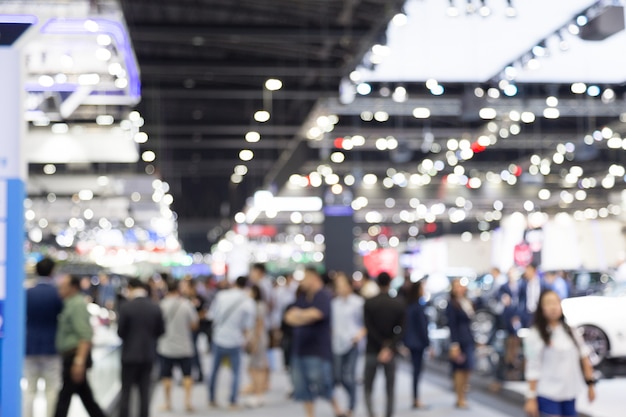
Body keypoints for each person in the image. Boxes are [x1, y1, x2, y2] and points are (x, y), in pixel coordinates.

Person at [523, 290, 596, 417]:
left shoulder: (570, 330)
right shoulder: (535, 335)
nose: (553, 307)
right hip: (547, 394)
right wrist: (531, 397)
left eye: (556, 302)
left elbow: (584, 358)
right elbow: (532, 367)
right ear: (541, 308)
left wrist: (590, 385)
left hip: (569, 393)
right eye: (548, 303)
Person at [285, 267, 346, 417]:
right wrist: (304, 316)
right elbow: (289, 317)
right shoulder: (303, 296)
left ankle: (338, 410)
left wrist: (299, 315)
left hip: (317, 350)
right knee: (302, 387)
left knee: (323, 384)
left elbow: (318, 314)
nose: (302, 281)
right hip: (299, 349)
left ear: (313, 278)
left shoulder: (323, 295)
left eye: (305, 277)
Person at [54, 275, 106, 417]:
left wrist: (79, 362)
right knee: (86, 398)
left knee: (64, 399)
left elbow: (85, 335)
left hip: (74, 356)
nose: (60, 289)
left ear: (73, 287)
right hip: (72, 357)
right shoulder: (69, 303)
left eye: (64, 286)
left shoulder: (77, 305)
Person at [117, 278, 165, 417]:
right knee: (144, 393)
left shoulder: (126, 307)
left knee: (126, 392)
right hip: (148, 355)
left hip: (129, 356)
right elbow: (161, 331)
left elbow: (120, 332)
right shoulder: (154, 307)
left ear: (131, 288)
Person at [23, 257, 64, 417]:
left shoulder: (28, 293)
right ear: (52, 271)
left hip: (30, 346)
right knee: (51, 390)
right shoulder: (57, 293)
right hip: (51, 347)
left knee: (30, 390)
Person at [208, 276, 255, 409]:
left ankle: (211, 399)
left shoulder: (221, 296)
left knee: (214, 371)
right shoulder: (248, 301)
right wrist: (248, 341)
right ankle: (232, 401)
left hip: (219, 337)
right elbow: (248, 326)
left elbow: (212, 315)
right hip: (236, 340)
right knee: (236, 373)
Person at [363, 272, 406, 417]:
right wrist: (388, 346)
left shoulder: (369, 303)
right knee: (390, 387)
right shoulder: (398, 303)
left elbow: (368, 327)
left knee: (368, 386)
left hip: (372, 349)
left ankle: (371, 413)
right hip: (390, 351)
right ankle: (388, 414)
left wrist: (382, 344)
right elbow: (401, 329)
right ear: (390, 283)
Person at [157, 280, 199, 412]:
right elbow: (194, 325)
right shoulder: (186, 304)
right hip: (184, 346)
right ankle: (187, 402)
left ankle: (168, 403)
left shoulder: (161, 305)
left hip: (166, 346)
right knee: (187, 375)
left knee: (166, 376)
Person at [331, 272, 366, 417]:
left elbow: (365, 323)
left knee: (349, 377)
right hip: (337, 343)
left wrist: (359, 336)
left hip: (352, 343)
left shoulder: (358, 302)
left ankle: (351, 406)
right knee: (337, 377)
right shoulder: (334, 303)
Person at [447, 278, 475, 409]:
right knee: (459, 369)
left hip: (468, 338)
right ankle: (459, 398)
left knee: (468, 368)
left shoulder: (466, 302)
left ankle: (463, 395)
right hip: (459, 340)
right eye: (456, 286)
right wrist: (454, 344)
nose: (459, 288)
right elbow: (452, 325)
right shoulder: (452, 304)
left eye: (461, 286)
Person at [403, 280, 430, 410]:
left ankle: (415, 398)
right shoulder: (418, 307)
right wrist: (428, 343)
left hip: (412, 342)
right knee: (417, 371)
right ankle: (416, 398)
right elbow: (422, 328)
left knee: (416, 371)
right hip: (418, 343)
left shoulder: (410, 306)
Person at [244, 285, 270, 407]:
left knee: (256, 367)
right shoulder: (254, 305)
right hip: (256, 338)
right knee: (254, 366)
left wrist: (255, 342)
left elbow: (259, 325)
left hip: (258, 339)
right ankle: (257, 390)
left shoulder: (259, 306)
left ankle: (259, 394)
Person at [181, 279, 208, 382]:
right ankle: (187, 374)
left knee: (194, 352)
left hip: (194, 329)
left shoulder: (199, 298)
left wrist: (193, 319)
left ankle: (199, 373)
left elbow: (204, 312)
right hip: (184, 330)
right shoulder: (183, 299)